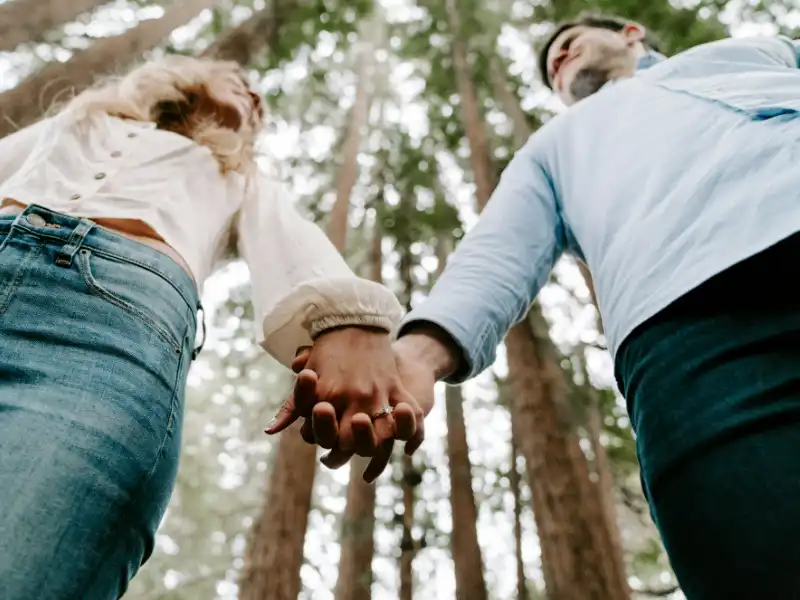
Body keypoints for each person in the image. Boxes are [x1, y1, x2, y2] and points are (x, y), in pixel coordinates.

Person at [270, 14, 800, 598]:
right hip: (693, 344)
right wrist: (415, 359)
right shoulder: (552, 148)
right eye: (550, 65)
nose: (558, 59)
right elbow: (497, 255)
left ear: (630, 31)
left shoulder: (755, 52)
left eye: (568, 44)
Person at [0, 55, 414, 599]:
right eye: (242, 80)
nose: (256, 97)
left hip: (107, 330)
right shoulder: (81, 119)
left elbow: (286, 235)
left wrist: (349, 325)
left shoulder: (238, 172)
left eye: (261, 103)